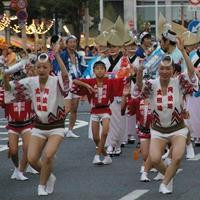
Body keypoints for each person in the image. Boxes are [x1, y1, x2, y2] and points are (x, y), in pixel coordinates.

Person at [4, 44, 69, 196]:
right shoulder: (31, 81)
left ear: (49, 68)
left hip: (56, 127)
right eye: (38, 67)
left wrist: (57, 55)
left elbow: (65, 77)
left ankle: (42, 185)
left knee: (47, 155)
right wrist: (4, 74)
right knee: (32, 159)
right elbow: (9, 89)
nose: (41, 70)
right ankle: (49, 176)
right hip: (39, 127)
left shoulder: (56, 81)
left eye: (44, 67)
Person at [136, 38, 198, 194]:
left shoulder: (179, 82)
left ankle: (165, 183)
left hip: (178, 130)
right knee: (155, 159)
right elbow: (139, 89)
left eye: (168, 69)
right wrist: (139, 71)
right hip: (158, 130)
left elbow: (191, 74)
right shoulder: (151, 84)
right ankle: (169, 176)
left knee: (177, 158)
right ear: (158, 70)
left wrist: (183, 51)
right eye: (162, 69)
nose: (164, 71)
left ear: (172, 70)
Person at [71, 61, 124, 165]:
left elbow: (124, 80)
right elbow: (75, 81)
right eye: (97, 68)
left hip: (106, 110)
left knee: (105, 132)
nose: (100, 70)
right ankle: (106, 156)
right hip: (94, 111)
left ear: (105, 71)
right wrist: (87, 85)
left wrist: (133, 73)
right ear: (94, 71)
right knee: (96, 138)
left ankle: (97, 155)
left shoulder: (110, 82)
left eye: (102, 68)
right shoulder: (90, 81)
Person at [61, 35, 87, 138]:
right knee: (66, 109)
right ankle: (60, 128)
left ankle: (70, 130)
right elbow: (58, 67)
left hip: (77, 82)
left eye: (74, 42)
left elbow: (83, 67)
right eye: (70, 42)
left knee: (74, 109)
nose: (72, 44)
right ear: (67, 44)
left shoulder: (79, 55)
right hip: (66, 83)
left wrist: (81, 77)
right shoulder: (62, 55)